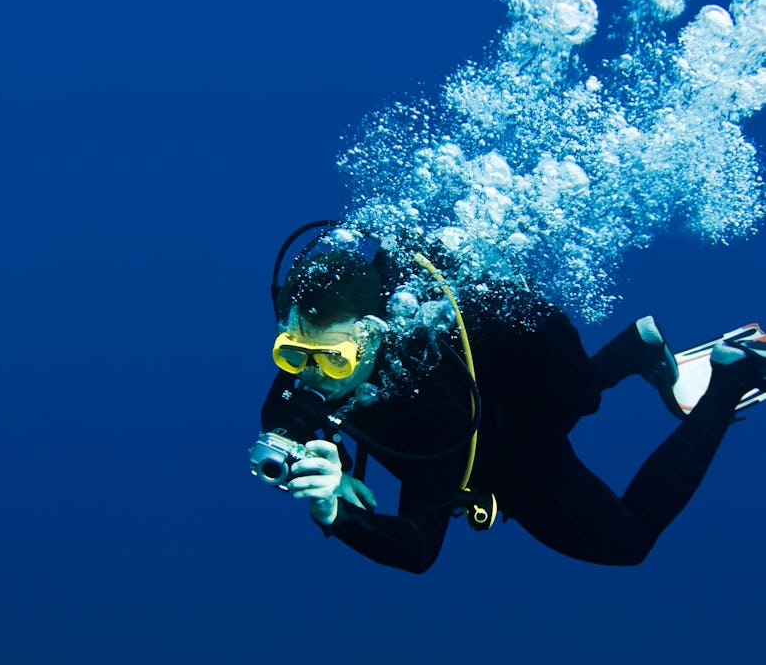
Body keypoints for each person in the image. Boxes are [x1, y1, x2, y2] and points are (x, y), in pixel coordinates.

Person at [256, 227, 766, 573]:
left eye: (336, 360)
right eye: (293, 354)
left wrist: (334, 513)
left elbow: (419, 547)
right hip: (497, 380)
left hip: (512, 419)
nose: (313, 377)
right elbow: (282, 410)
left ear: (374, 334)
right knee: (578, 395)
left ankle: (730, 377)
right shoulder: (313, 356)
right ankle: (632, 349)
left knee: (624, 542)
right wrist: (336, 466)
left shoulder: (433, 410)